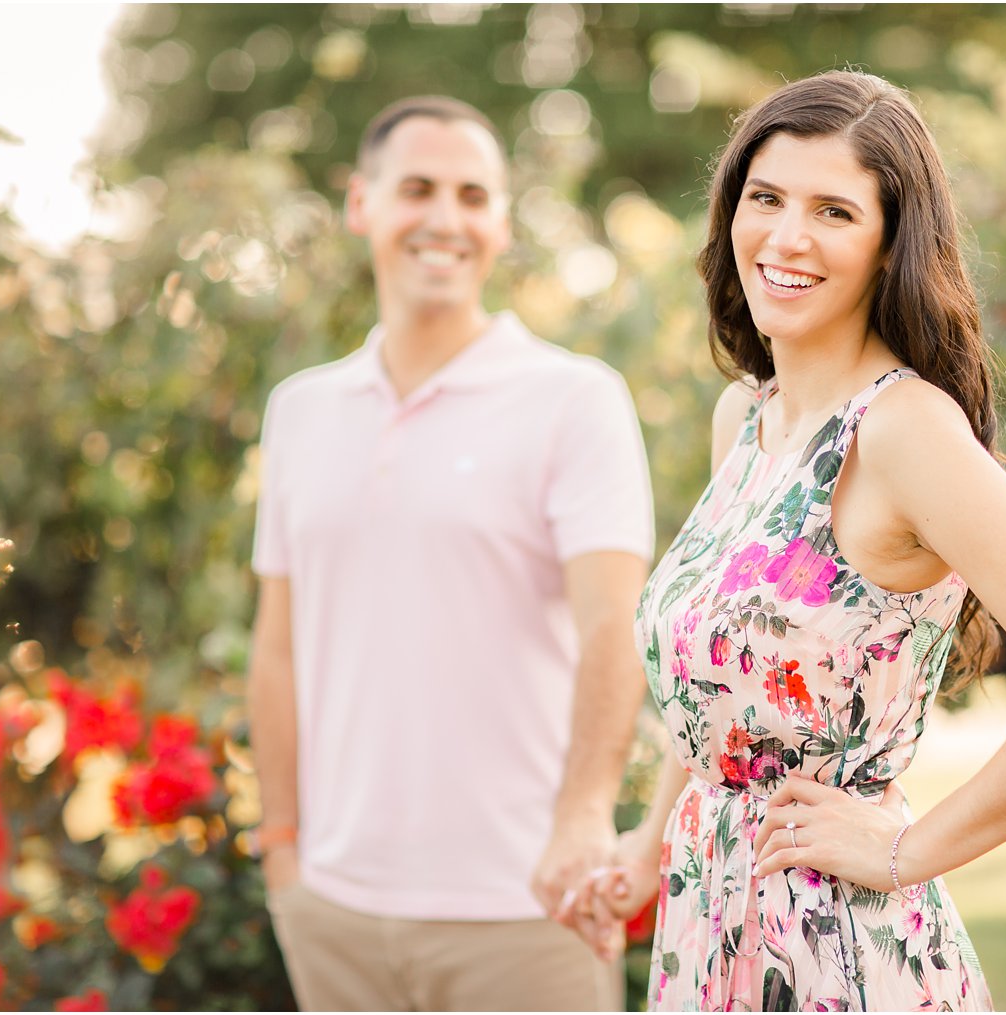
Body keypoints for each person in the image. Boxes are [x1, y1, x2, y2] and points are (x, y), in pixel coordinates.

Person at [562, 71, 1006, 1010]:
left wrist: (904, 849)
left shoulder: (902, 433)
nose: (787, 236)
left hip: (837, 954)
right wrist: (645, 854)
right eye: (765, 198)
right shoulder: (747, 420)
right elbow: (724, 694)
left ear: (891, 248)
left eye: (834, 212)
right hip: (711, 935)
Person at [247, 95, 653, 1012]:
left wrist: (583, 819)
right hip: (334, 908)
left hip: (525, 907)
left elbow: (613, 628)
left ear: (502, 224)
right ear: (362, 203)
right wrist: (283, 852)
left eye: (474, 196)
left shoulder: (573, 399)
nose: (446, 219)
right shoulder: (301, 410)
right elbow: (278, 644)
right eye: (418, 188)